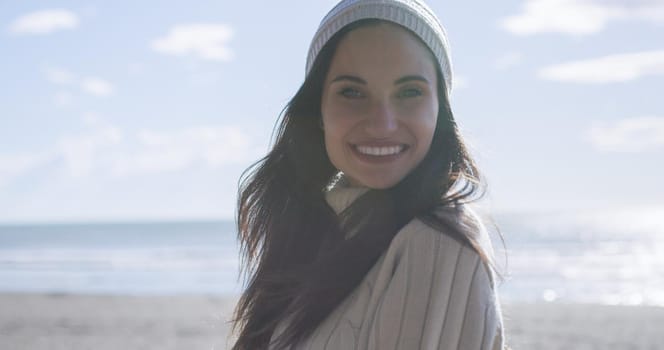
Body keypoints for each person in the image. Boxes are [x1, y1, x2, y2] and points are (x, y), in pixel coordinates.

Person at [230, 0, 505, 349]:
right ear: (318, 109)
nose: (382, 123)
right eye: (352, 92)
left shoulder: (437, 241)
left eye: (409, 92)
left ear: (440, 112)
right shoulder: (317, 232)